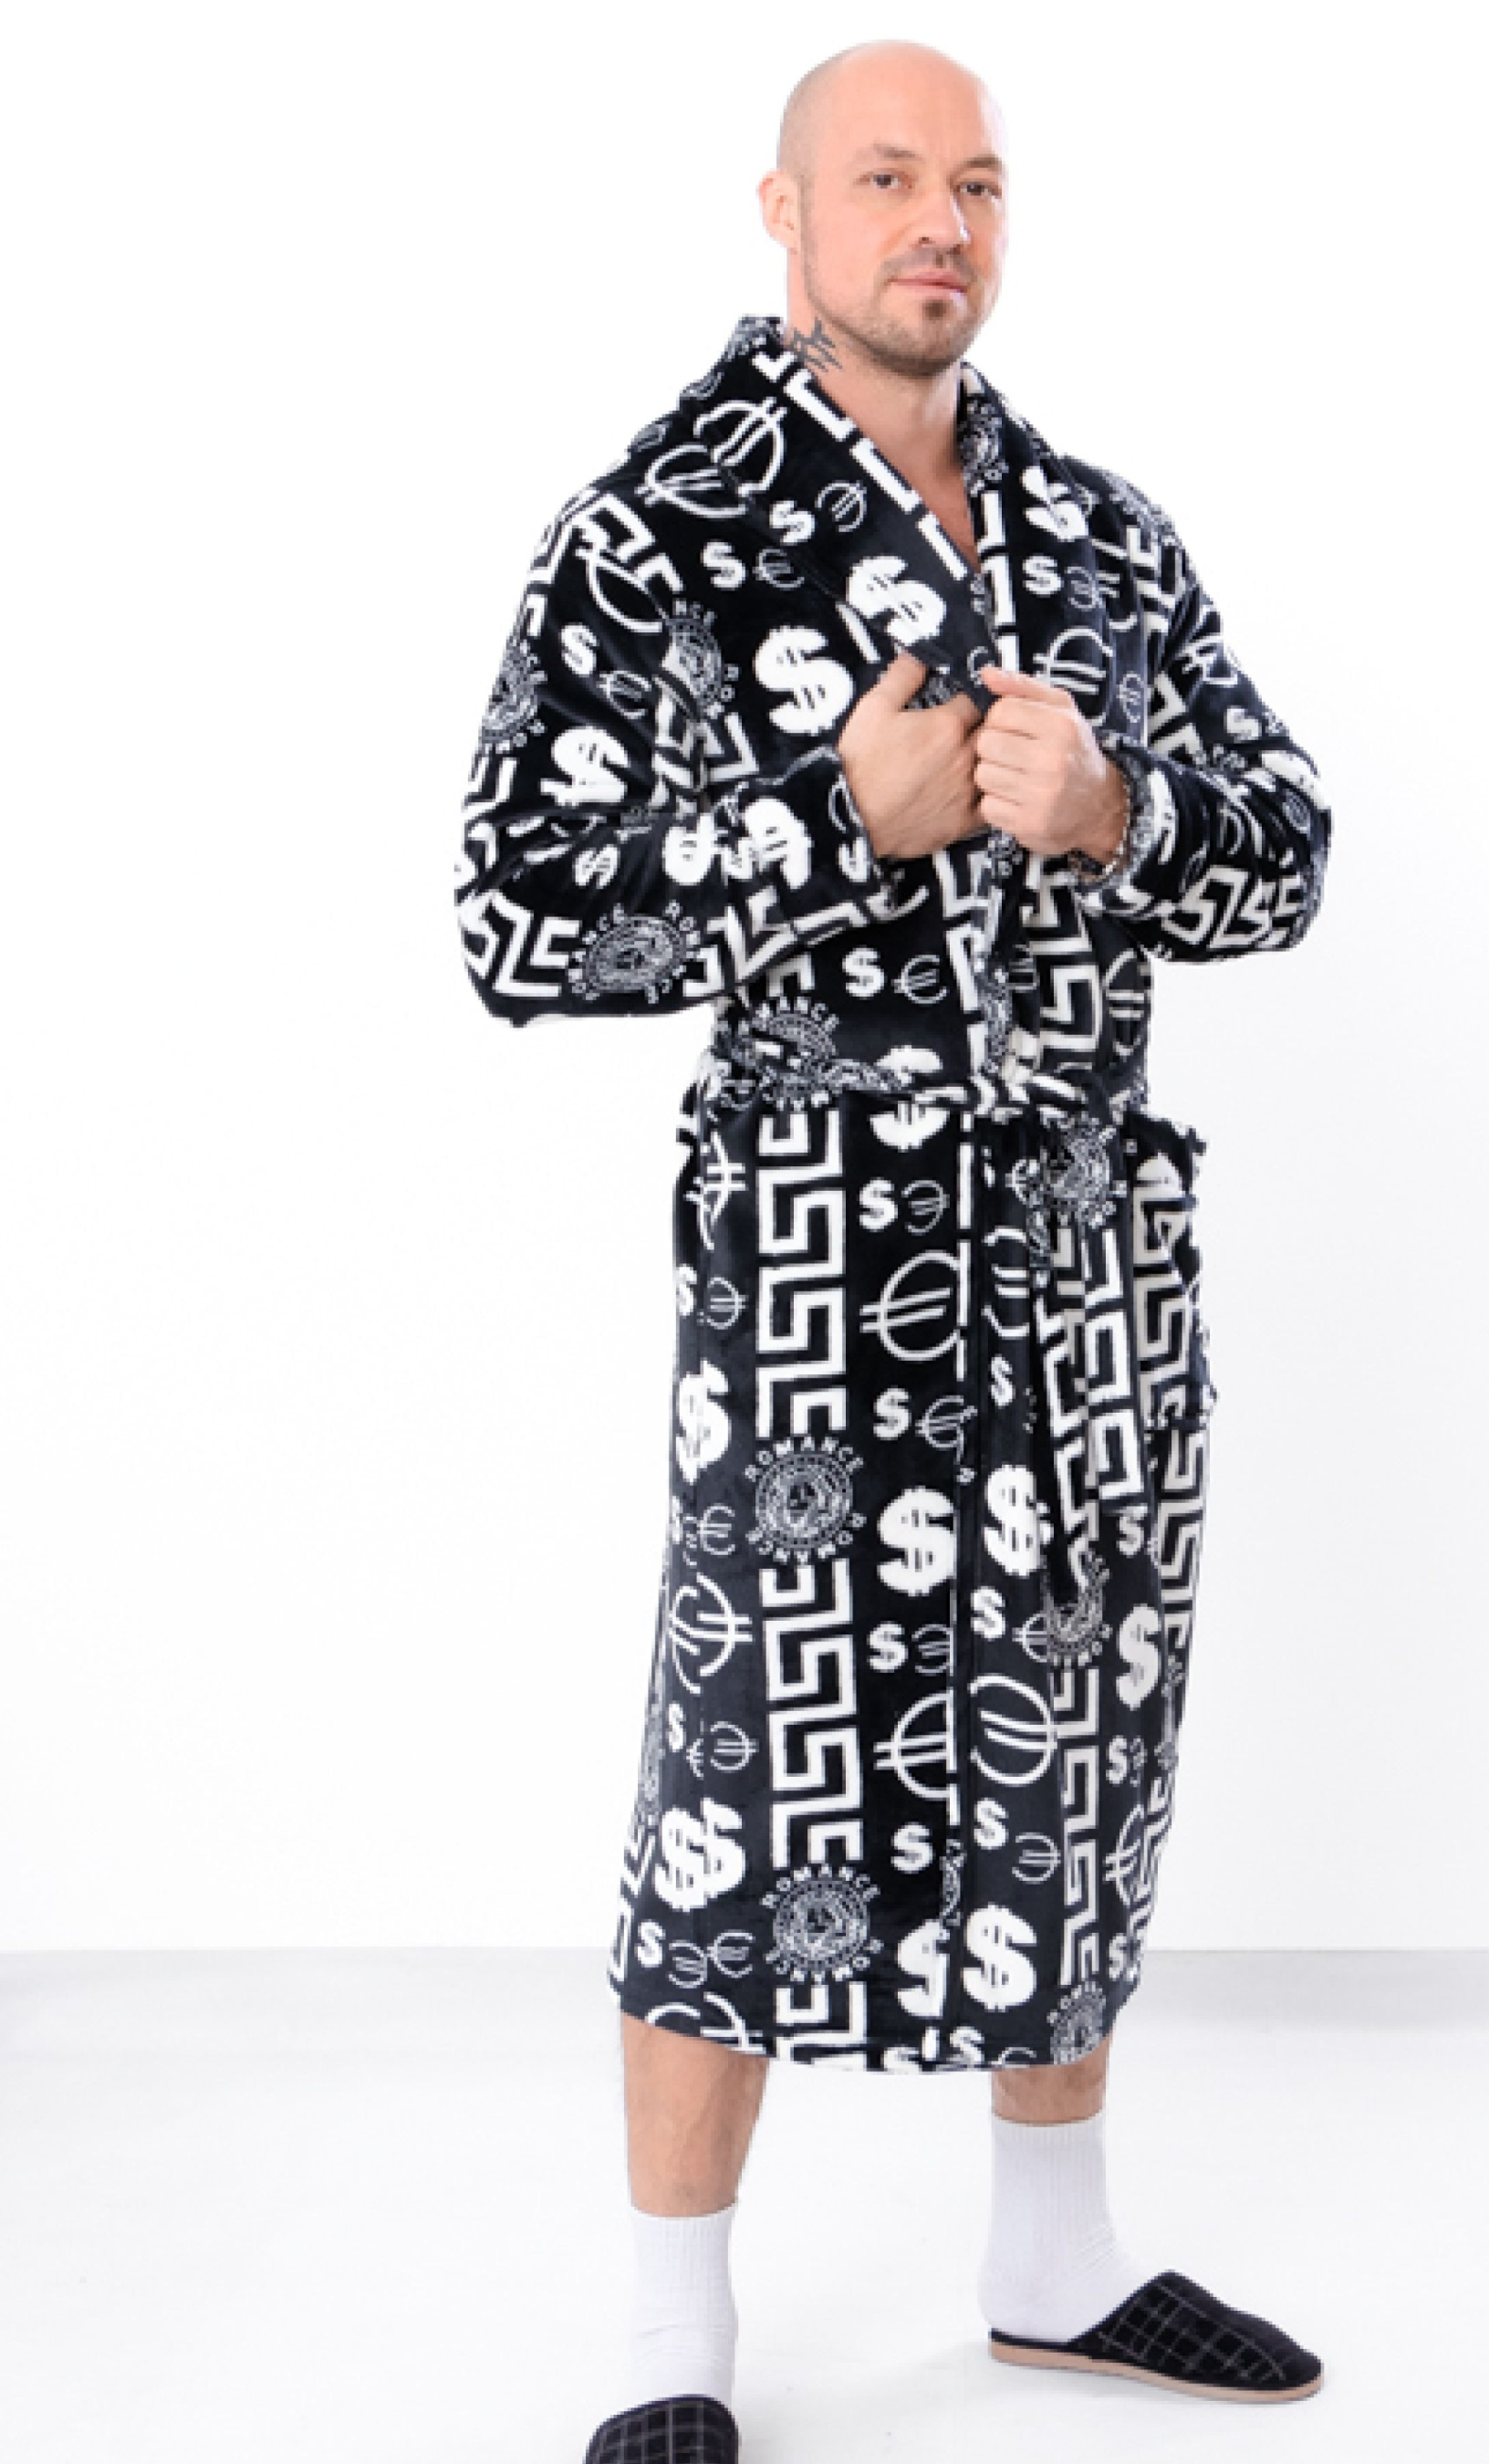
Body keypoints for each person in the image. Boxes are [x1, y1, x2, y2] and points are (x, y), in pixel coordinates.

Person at [455, 37, 1333, 2463]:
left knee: (1086, 1730)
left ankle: (1054, 2262)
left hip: (1085, 1254)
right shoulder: (661, 528)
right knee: (740, 1762)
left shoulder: (1103, 533)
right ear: (785, 212)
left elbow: (1285, 845)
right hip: (815, 1271)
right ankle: (672, 2329)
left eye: (976, 183)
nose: (939, 221)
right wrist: (826, 825)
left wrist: (1118, 811)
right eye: (884, 178)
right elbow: (515, 915)